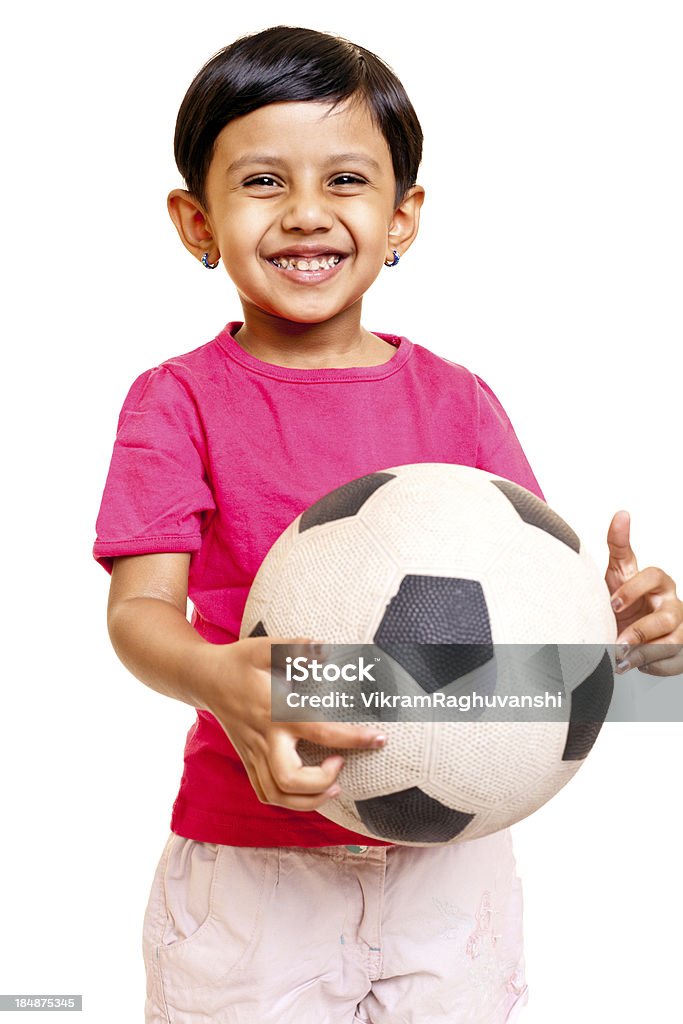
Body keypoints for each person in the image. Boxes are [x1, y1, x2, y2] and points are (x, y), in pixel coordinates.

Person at [93, 25, 683, 1024]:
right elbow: (138, 613)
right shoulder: (175, 400)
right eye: (264, 182)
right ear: (197, 222)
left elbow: (532, 627)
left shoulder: (458, 402)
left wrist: (629, 630)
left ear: (403, 215)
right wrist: (224, 678)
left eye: (347, 180)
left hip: (451, 870)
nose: (307, 214)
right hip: (251, 866)